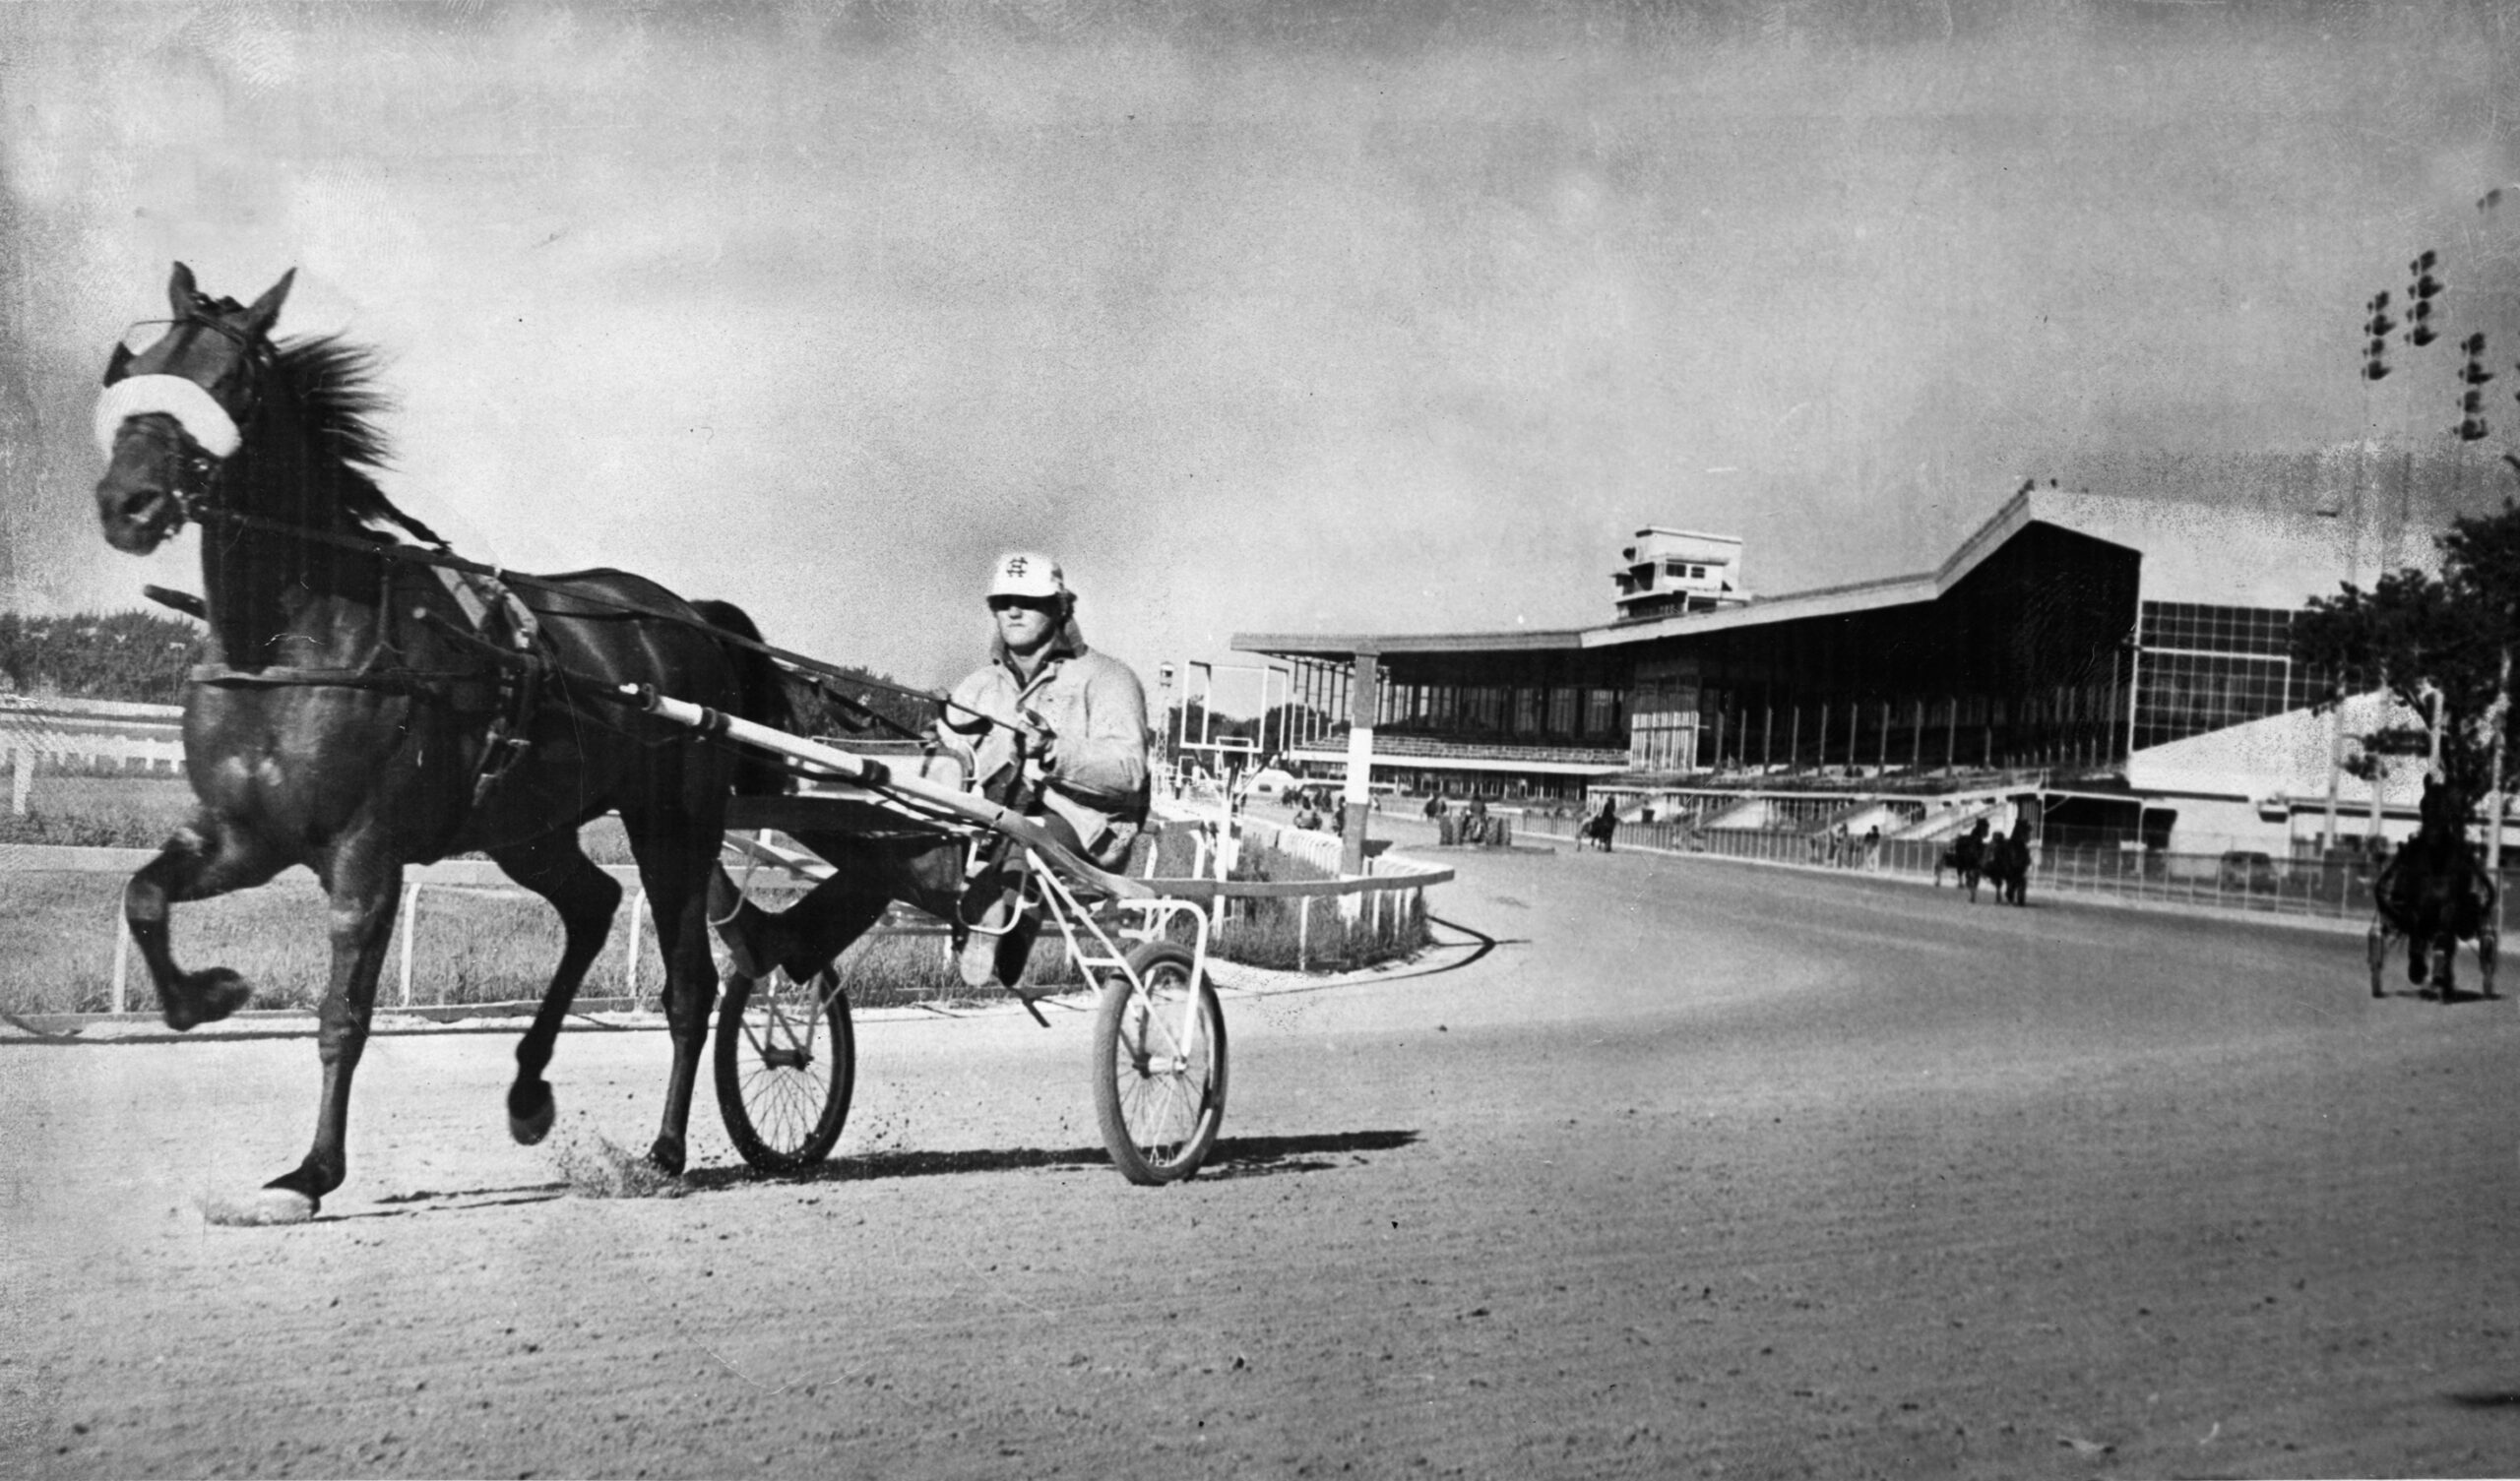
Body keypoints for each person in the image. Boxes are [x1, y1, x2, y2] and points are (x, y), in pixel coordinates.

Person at [713, 551, 1151, 992]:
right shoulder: (979, 685)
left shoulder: (1107, 678)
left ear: (1060, 606)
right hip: (983, 828)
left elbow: (1129, 771)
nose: (1013, 611)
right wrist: (934, 743)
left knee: (1019, 833)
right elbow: (950, 763)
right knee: (891, 850)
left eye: (1028, 600)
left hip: (1083, 828)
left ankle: (999, 925)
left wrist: (1056, 751)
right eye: (1002, 602)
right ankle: (777, 938)